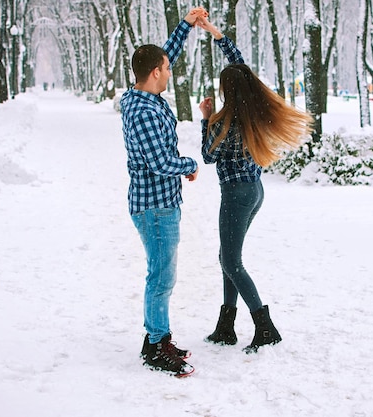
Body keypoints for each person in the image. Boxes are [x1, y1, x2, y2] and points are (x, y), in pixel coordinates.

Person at [197, 17, 313, 353]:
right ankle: (226, 326)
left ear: (227, 91)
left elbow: (207, 155)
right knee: (227, 257)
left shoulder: (227, 122)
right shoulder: (250, 111)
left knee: (232, 262)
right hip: (253, 192)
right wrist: (218, 36)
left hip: (236, 196)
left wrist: (205, 119)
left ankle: (265, 328)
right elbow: (240, 67)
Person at [120, 7, 208, 377]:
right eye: (166, 68)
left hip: (160, 202)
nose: (170, 70)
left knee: (161, 273)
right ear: (155, 73)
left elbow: (165, 53)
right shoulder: (142, 111)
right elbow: (159, 161)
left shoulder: (142, 95)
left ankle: (154, 338)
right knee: (161, 276)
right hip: (155, 206)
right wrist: (188, 165)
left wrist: (186, 24)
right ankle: (157, 344)